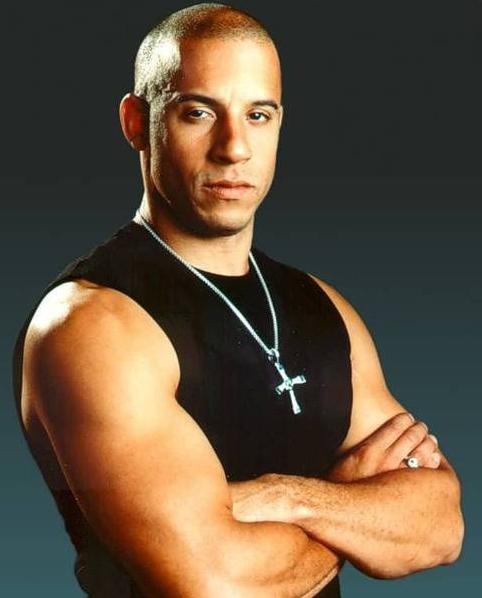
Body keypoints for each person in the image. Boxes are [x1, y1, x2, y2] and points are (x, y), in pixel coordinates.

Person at [13, 3, 464, 597]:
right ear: (136, 122)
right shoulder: (92, 322)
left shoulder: (322, 307)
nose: (234, 148)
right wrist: (355, 503)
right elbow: (214, 582)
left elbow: (439, 527)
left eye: (257, 115)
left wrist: (287, 497)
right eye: (198, 112)